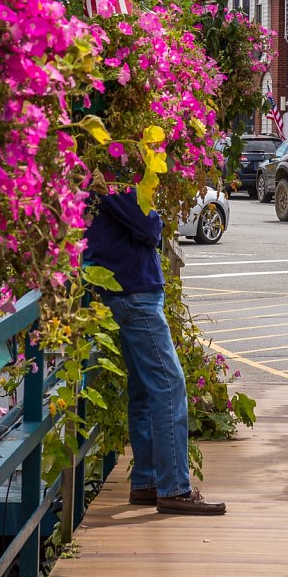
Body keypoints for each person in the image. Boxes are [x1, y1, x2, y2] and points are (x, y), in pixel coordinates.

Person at [84, 185, 226, 516]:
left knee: (144, 390)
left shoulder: (102, 177)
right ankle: (175, 487)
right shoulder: (112, 179)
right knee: (168, 384)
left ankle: (147, 482)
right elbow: (149, 226)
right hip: (134, 290)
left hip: (127, 288)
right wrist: (155, 216)